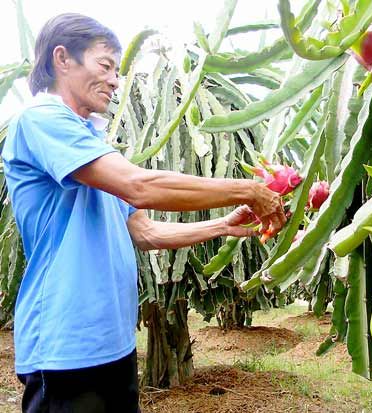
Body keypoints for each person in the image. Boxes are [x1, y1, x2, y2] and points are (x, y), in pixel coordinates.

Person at [1, 13, 286, 413]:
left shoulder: (91, 143)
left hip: (112, 343)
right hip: (65, 345)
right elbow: (141, 186)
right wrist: (248, 190)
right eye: (105, 65)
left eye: (117, 70)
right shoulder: (41, 120)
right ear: (62, 59)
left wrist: (223, 225)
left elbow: (145, 232)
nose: (115, 81)